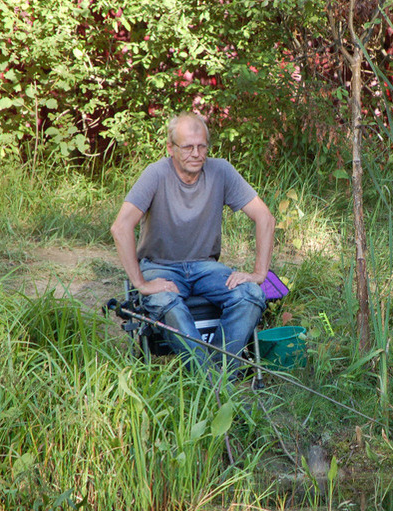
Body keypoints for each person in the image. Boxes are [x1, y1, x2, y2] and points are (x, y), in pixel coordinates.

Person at [111, 111, 275, 385]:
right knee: (165, 303)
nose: (196, 153)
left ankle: (215, 374)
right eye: (187, 147)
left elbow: (265, 218)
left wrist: (259, 273)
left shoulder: (220, 170)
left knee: (251, 294)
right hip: (160, 266)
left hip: (205, 266)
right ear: (171, 148)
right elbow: (120, 227)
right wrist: (140, 283)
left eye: (202, 146)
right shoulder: (156, 173)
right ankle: (214, 384)